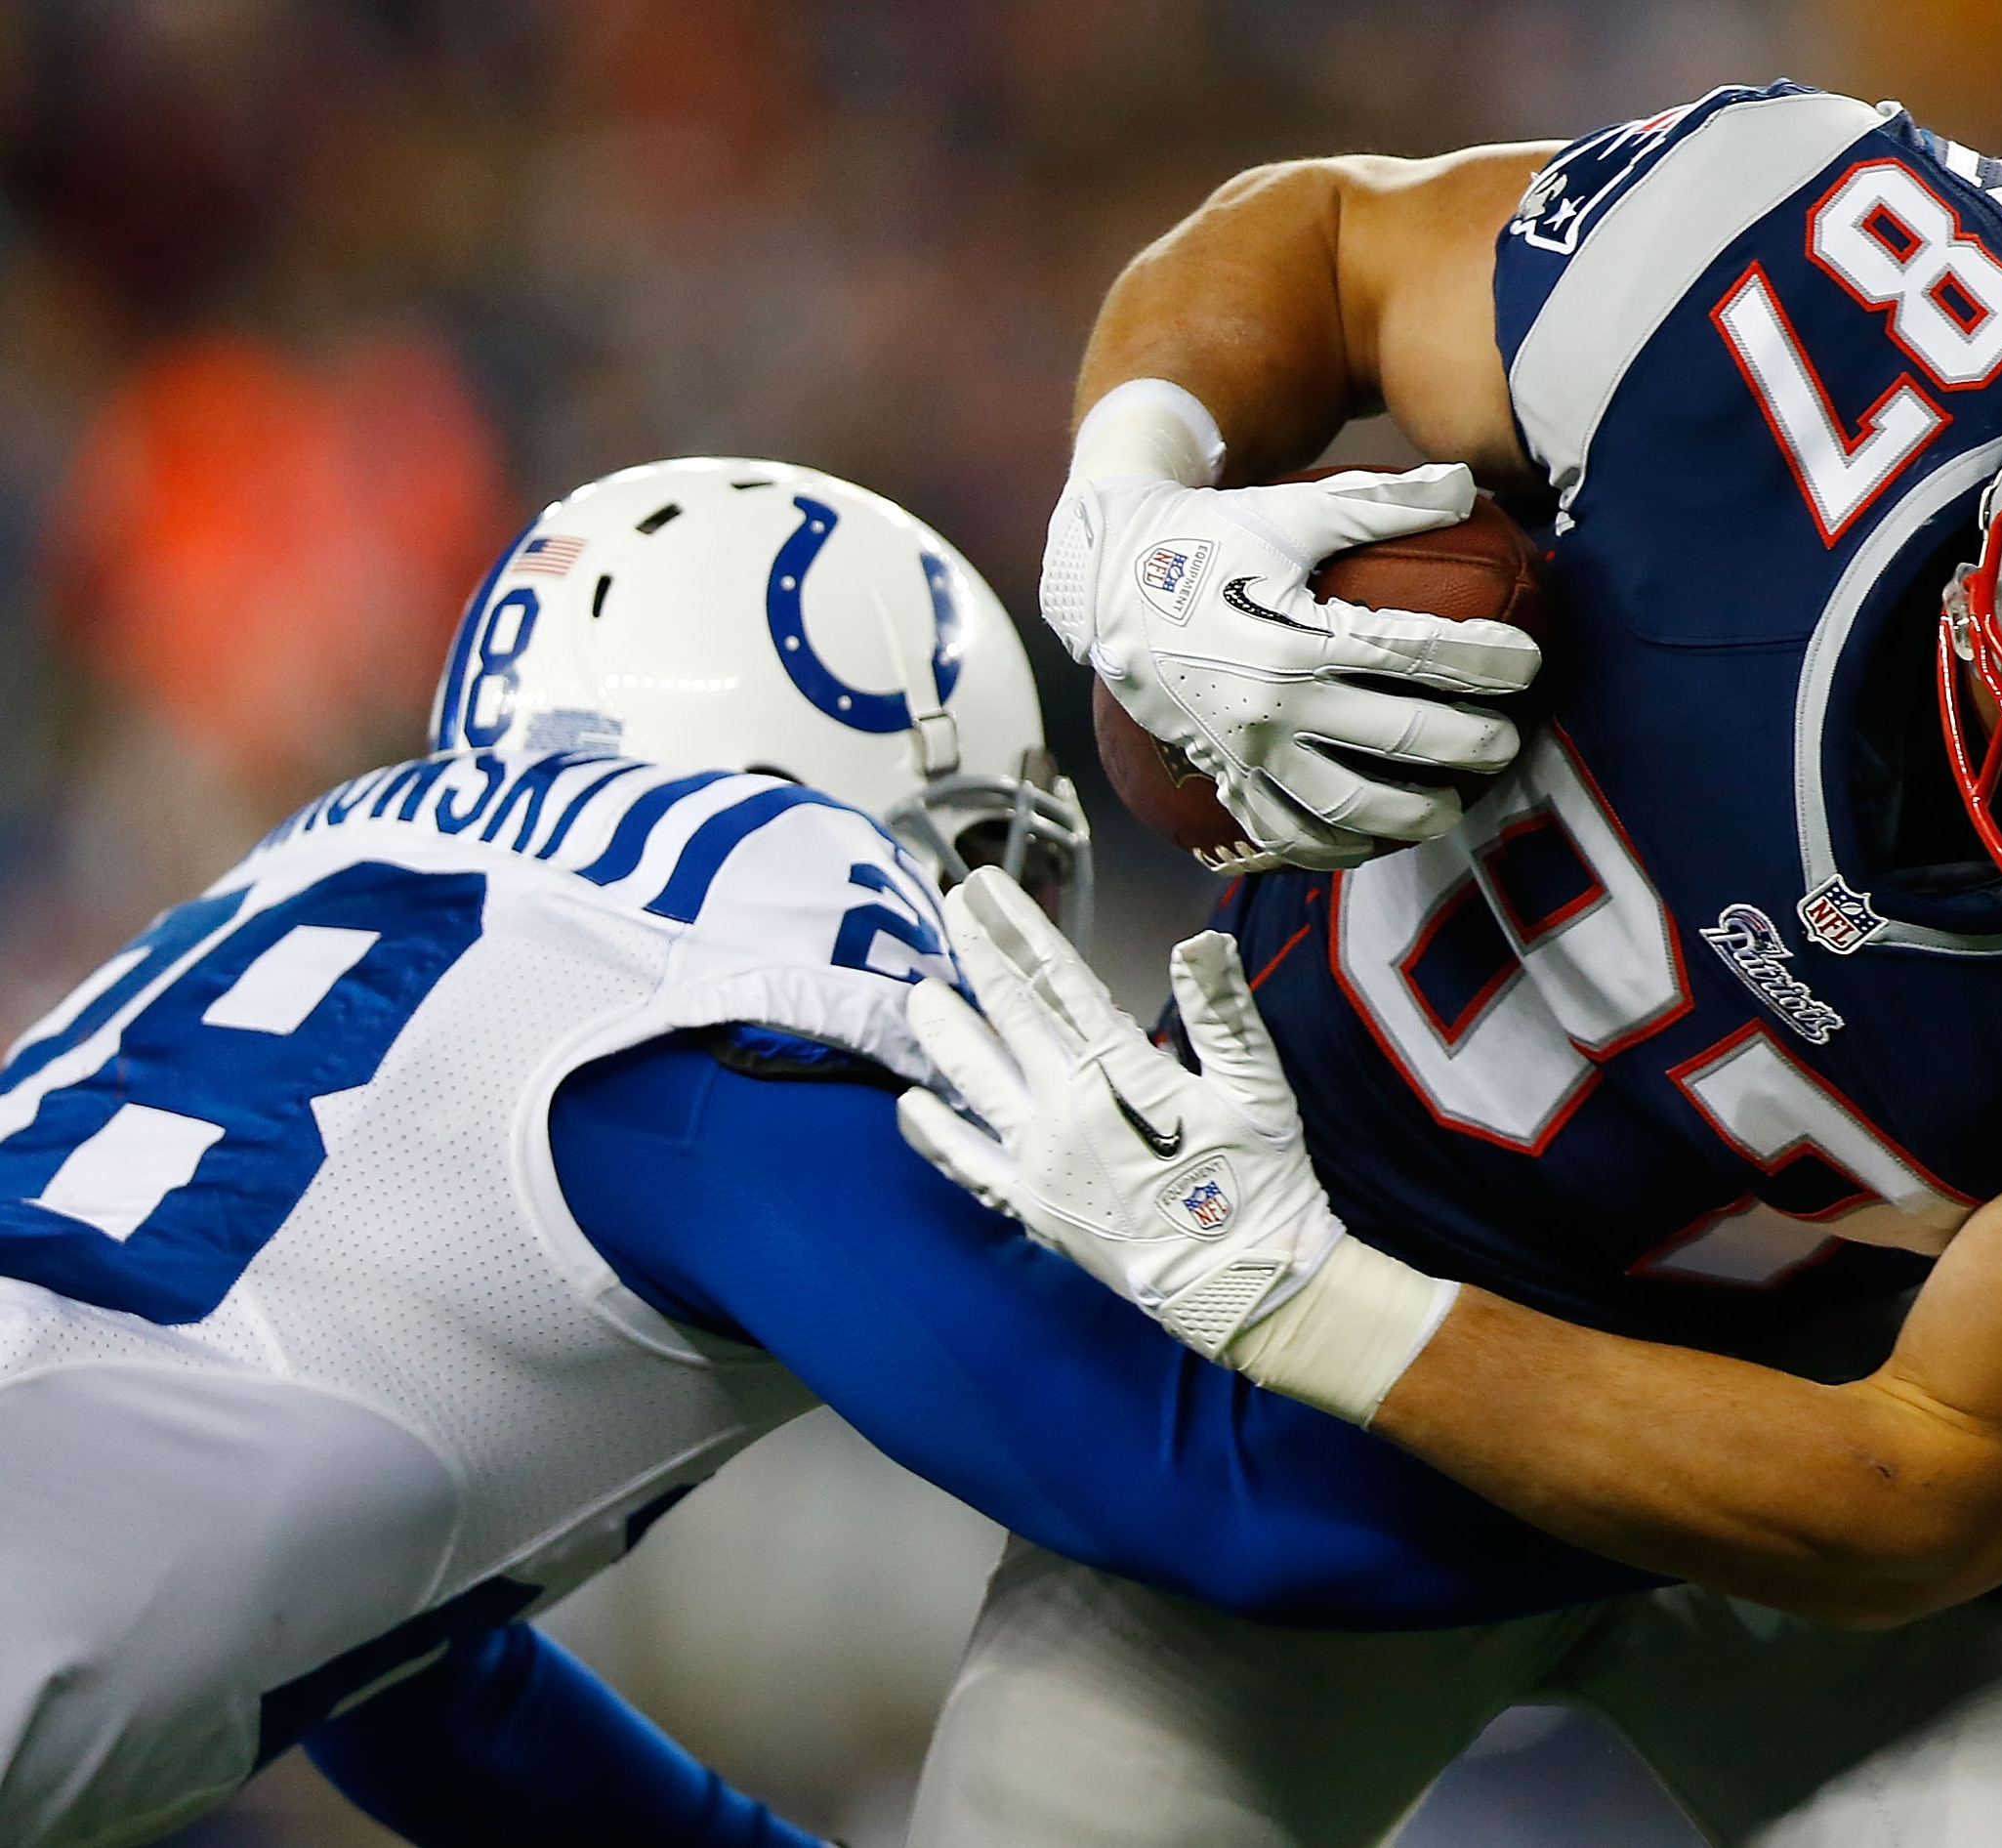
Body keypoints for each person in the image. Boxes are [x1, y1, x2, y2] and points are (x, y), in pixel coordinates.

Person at [893, 82, 2002, 1844]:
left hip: (1789, 1450)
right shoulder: (1786, 290)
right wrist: (1132, 504)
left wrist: (1302, 1296)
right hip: (1292, 1353)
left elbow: (1918, 1483)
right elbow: (1331, 240)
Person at [0, 456, 1648, 1848]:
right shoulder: (711, 974)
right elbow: (1184, 1488)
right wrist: (1709, 1489)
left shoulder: (311, 892)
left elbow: (401, 1678)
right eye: (984, 851)